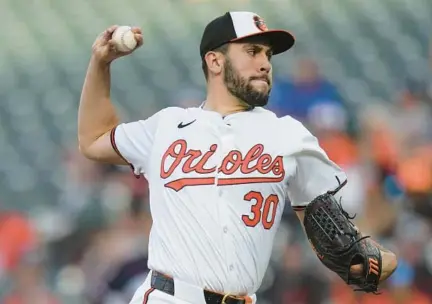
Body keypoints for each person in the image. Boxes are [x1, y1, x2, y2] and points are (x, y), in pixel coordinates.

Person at [78, 11, 398, 304]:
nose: (265, 63)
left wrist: (367, 260)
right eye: (252, 51)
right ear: (215, 61)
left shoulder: (288, 134)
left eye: (268, 55)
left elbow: (335, 236)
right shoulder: (167, 125)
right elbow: (93, 140)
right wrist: (100, 64)